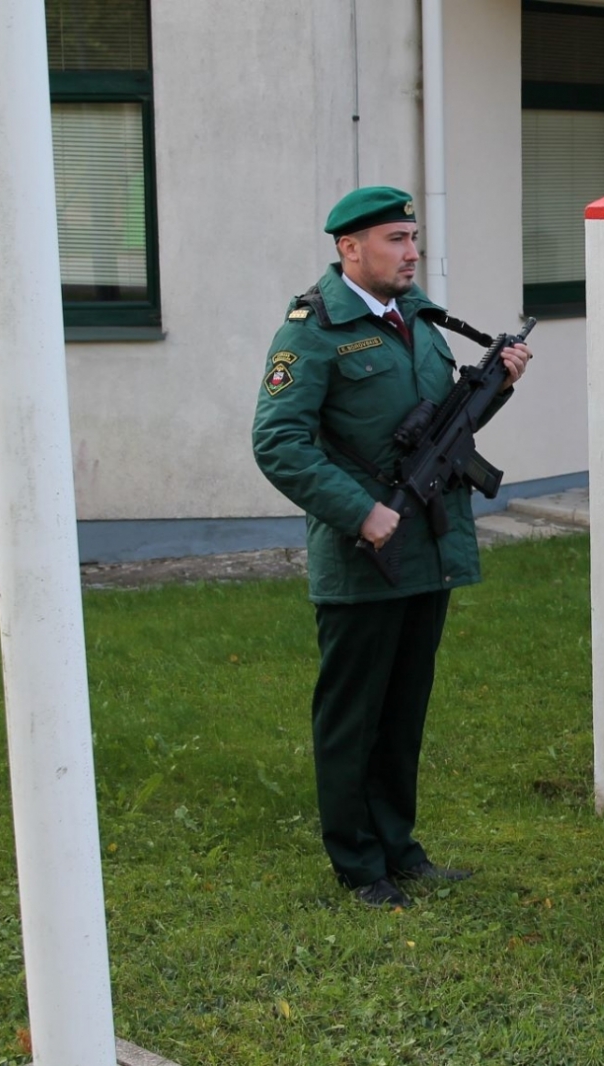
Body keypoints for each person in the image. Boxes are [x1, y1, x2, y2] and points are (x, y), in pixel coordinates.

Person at [251, 186, 531, 908]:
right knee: (354, 716)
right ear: (349, 249)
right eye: (395, 240)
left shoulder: (419, 319)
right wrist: (360, 512)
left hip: (428, 546)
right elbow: (278, 443)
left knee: (405, 709)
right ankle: (357, 863)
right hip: (362, 554)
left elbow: (445, 426)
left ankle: (399, 848)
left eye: (413, 238)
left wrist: (496, 386)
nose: (411, 253)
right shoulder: (313, 332)